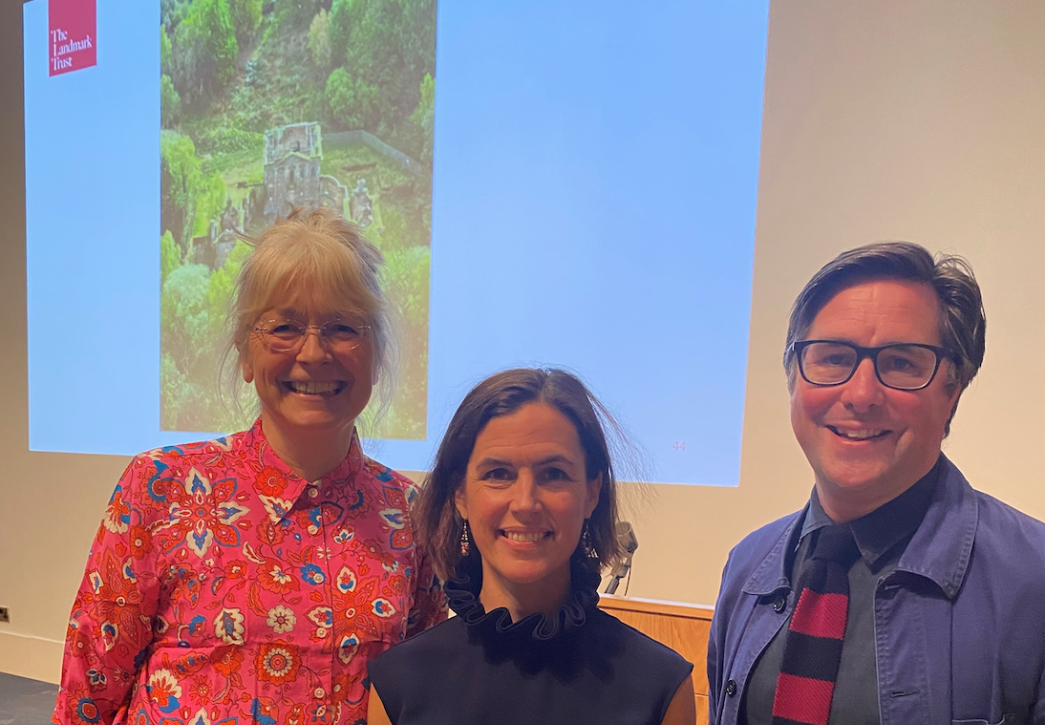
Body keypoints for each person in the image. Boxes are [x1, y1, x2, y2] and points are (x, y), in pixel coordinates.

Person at [52, 208, 445, 725]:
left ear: (375, 353)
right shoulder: (162, 488)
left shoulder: (407, 515)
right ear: (244, 353)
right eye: (283, 326)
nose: (313, 352)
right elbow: (89, 695)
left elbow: (416, 699)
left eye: (343, 327)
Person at [708, 242, 1045, 725]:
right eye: (832, 358)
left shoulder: (1034, 584)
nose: (861, 394)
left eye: (902, 363)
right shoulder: (746, 569)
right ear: (792, 378)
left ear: (953, 391)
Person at [366, 368, 695, 725]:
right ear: (460, 494)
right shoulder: (398, 683)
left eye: (553, 474)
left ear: (592, 492)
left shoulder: (660, 686)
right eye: (498, 474)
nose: (525, 503)